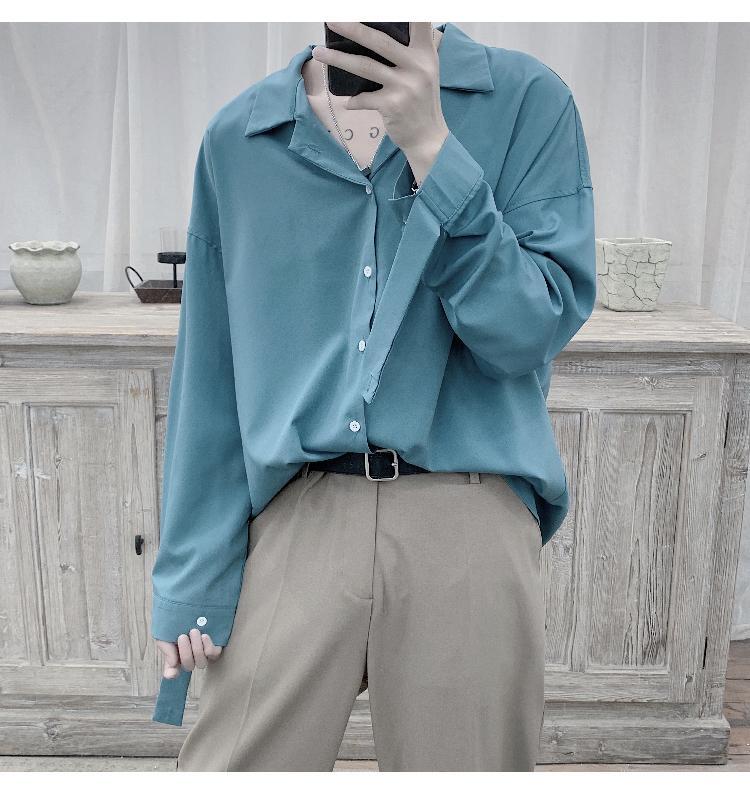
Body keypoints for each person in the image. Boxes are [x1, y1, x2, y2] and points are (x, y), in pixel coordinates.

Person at [150, 21, 596, 772]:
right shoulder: (241, 138)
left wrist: (434, 151)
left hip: (467, 515)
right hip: (296, 516)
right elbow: (211, 377)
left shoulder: (525, 102)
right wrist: (188, 577)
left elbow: (526, 333)